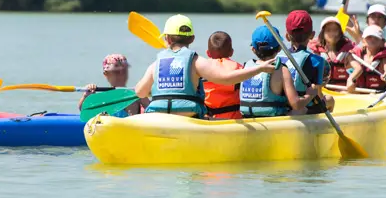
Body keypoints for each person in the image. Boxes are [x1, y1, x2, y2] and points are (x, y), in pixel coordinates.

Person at [134, 14, 277, 118]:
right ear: (192, 38)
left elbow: (140, 92)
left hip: (160, 118)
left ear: (167, 38)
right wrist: (259, 68)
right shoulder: (196, 62)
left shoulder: (156, 64)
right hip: (188, 119)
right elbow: (227, 78)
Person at [239, 25, 314, 117]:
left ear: (253, 49)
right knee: (302, 109)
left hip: (247, 118)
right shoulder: (281, 70)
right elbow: (296, 104)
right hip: (273, 122)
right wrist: (310, 95)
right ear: (279, 48)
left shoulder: (245, 67)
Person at [282, 10, 334, 113]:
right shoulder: (317, 61)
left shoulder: (277, 57)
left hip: (281, 108)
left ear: (287, 36)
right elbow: (318, 96)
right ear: (312, 35)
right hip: (302, 109)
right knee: (330, 100)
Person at [79, 54, 148, 117]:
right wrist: (86, 96)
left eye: (124, 71)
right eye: (117, 72)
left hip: (130, 127)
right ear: (106, 74)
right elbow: (83, 110)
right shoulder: (103, 98)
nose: (122, 74)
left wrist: (143, 96)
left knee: (132, 100)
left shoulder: (135, 94)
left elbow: (151, 109)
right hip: (110, 128)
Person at [308, 17, 360, 90]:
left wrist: (350, 79)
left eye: (335, 30)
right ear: (323, 33)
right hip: (324, 91)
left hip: (342, 91)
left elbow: (358, 68)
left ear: (340, 33)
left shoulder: (346, 53)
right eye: (328, 30)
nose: (332, 33)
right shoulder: (318, 53)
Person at [202, 32, 244, 120]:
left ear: (208, 53)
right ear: (232, 52)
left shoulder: (201, 68)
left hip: (207, 120)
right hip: (232, 120)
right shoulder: (239, 68)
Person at [347, 26, 386, 92]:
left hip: (378, 93)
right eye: (369, 37)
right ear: (363, 41)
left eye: (376, 38)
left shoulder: (384, 58)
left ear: (382, 42)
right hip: (360, 92)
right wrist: (350, 81)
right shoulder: (356, 55)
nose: (372, 39)